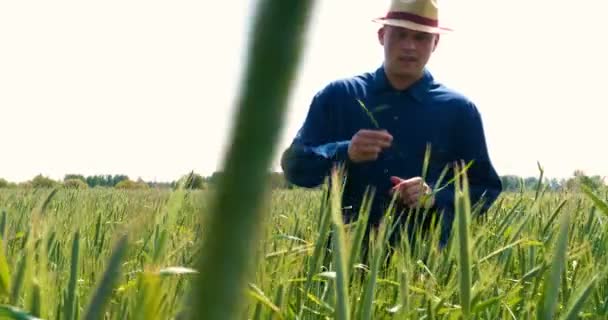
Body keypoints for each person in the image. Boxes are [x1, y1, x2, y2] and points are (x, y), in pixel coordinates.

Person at [280, 0, 502, 254]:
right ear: (382, 35)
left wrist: (434, 197)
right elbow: (295, 168)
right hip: (342, 267)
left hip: (424, 271)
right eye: (400, 35)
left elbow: (485, 190)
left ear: (435, 43)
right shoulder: (338, 96)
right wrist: (345, 153)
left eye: (421, 38)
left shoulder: (460, 111)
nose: (409, 46)